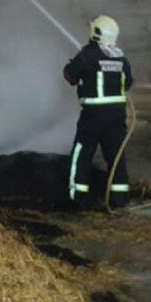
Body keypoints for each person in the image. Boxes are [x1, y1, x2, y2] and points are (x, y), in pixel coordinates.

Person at [63, 15, 133, 210]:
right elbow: (127, 83)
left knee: (82, 153)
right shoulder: (120, 57)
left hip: (93, 116)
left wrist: (70, 66)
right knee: (116, 156)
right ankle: (119, 200)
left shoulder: (87, 54)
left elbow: (70, 76)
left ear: (96, 32)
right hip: (117, 116)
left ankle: (78, 197)